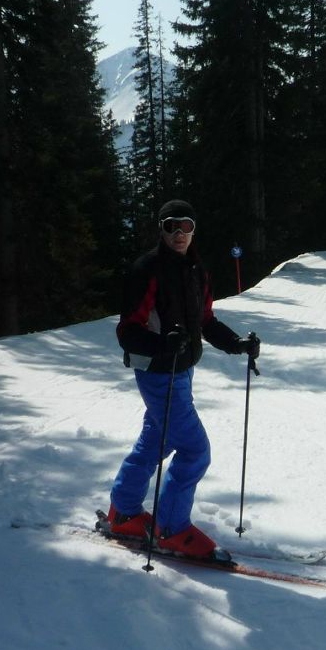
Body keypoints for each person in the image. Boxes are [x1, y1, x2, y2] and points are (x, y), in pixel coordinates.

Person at [108, 199, 261, 558]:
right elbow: (128, 331)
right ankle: (170, 529)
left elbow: (205, 321)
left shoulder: (195, 269)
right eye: (172, 226)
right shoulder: (146, 269)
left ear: (194, 230)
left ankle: (123, 512)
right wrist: (163, 345)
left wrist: (236, 343)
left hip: (182, 371)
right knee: (194, 450)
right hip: (158, 373)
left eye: (187, 226)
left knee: (156, 441)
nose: (180, 234)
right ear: (161, 229)